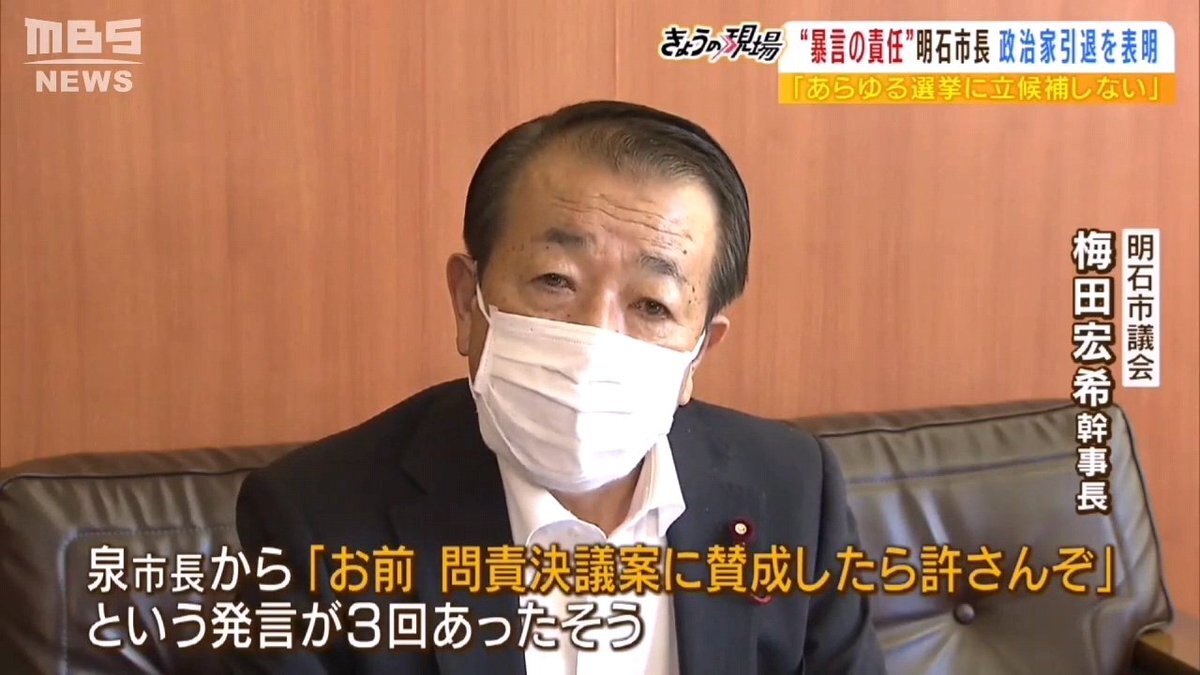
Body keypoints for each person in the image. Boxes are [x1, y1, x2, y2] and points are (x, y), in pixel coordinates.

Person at [228, 100, 886, 674]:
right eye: (554, 281)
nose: (593, 339)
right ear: (468, 303)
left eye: (651, 306)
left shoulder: (793, 488)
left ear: (699, 353)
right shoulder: (313, 520)